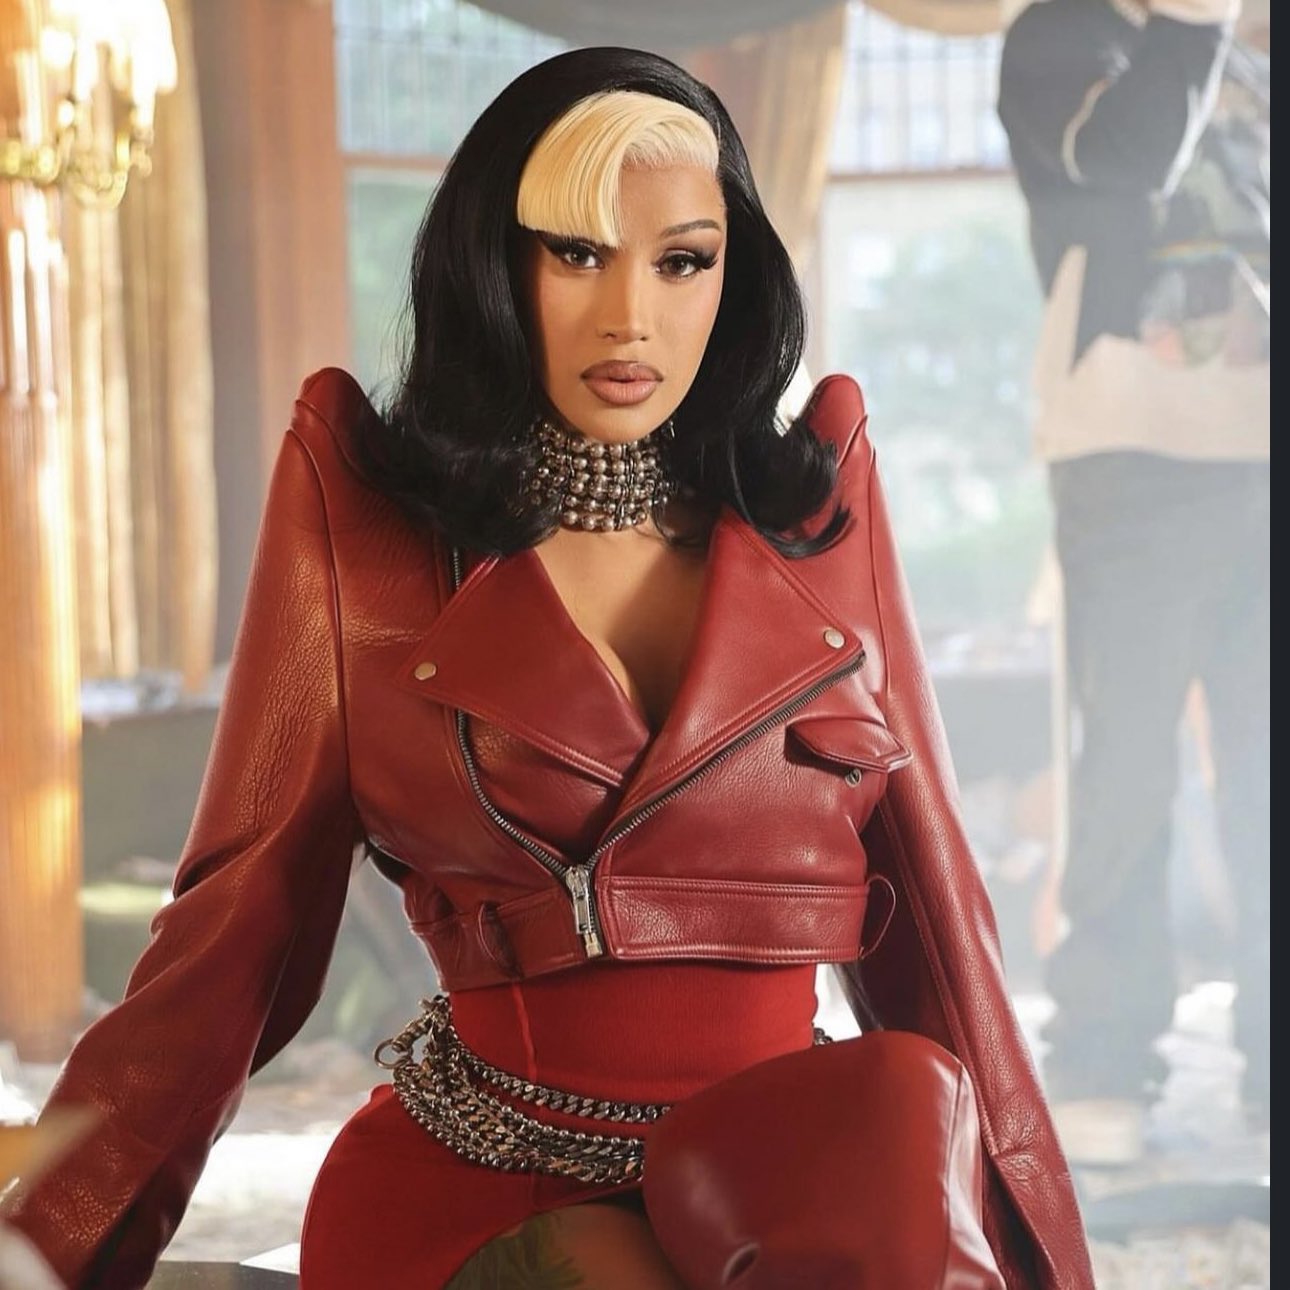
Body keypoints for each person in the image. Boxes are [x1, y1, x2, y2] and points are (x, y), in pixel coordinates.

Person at [2, 47, 1094, 1288]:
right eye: (577, 253)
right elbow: (227, 944)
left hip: (776, 1172)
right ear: (495, 268)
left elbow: (944, 937)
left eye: (682, 261)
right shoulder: (367, 529)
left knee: (902, 1105)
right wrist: (40, 1251)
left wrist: (1052, 1267)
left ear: (730, 279)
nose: (631, 314)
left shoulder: (819, 513)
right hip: (492, 1183)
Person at [998, 0, 1269, 1164]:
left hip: (1264, 452)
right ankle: (1106, 1054)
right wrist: (1194, 23)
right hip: (1131, 453)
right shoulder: (1060, 36)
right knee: (1124, 763)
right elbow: (1125, 161)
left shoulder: (1250, 57)